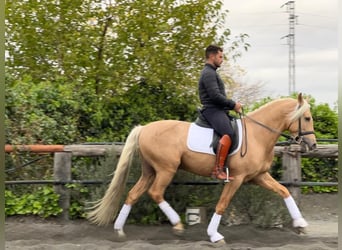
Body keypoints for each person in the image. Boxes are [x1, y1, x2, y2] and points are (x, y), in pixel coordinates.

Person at [198, 45, 242, 181]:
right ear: (212, 56)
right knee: (228, 133)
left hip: (218, 110)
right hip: (212, 110)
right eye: (220, 57)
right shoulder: (208, 73)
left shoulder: (212, 72)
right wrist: (233, 104)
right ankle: (218, 170)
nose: (222, 60)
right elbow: (215, 96)